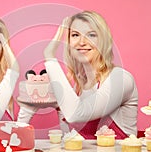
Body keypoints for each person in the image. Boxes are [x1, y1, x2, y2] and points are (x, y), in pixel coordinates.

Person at [18, 11, 138, 139]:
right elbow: (71, 138)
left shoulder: (120, 79)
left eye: (91, 35)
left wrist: (49, 55)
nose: (82, 42)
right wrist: (29, 108)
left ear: (103, 41)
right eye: (75, 35)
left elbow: (76, 114)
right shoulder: (79, 85)